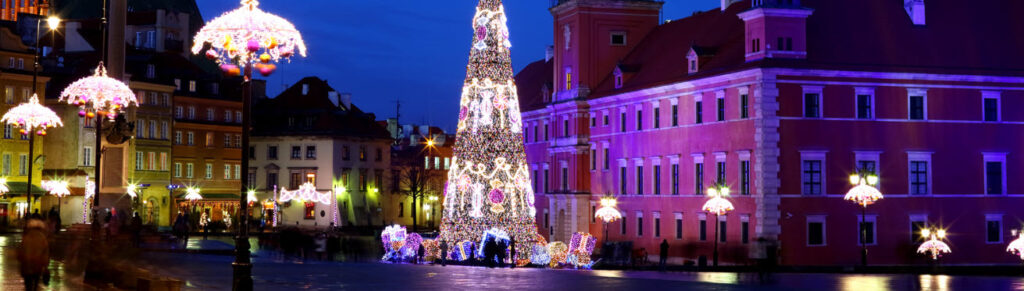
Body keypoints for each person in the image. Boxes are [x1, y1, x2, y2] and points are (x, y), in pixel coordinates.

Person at [19, 219, 50, 291]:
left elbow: (21, 251)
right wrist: (45, 265)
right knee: (36, 283)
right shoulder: (43, 238)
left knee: (28, 285)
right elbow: (45, 253)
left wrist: (22, 260)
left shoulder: (26, 237)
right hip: (37, 266)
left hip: (27, 265)